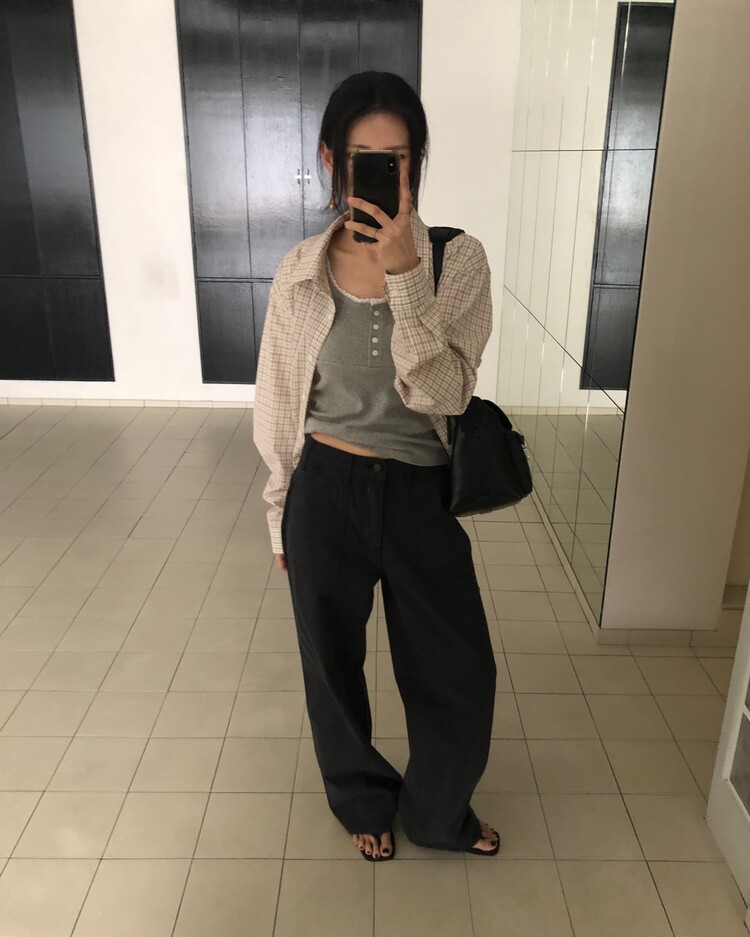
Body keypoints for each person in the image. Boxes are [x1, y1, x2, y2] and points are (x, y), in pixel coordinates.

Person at [253, 71, 499, 861]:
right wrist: (279, 510)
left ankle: (437, 813)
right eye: (367, 158)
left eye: (399, 159)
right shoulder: (299, 270)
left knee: (457, 670)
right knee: (330, 665)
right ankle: (362, 796)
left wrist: (406, 278)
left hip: (420, 490)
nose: (386, 174)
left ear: (416, 164)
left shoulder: (457, 261)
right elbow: (279, 401)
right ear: (332, 160)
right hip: (325, 487)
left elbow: (446, 393)